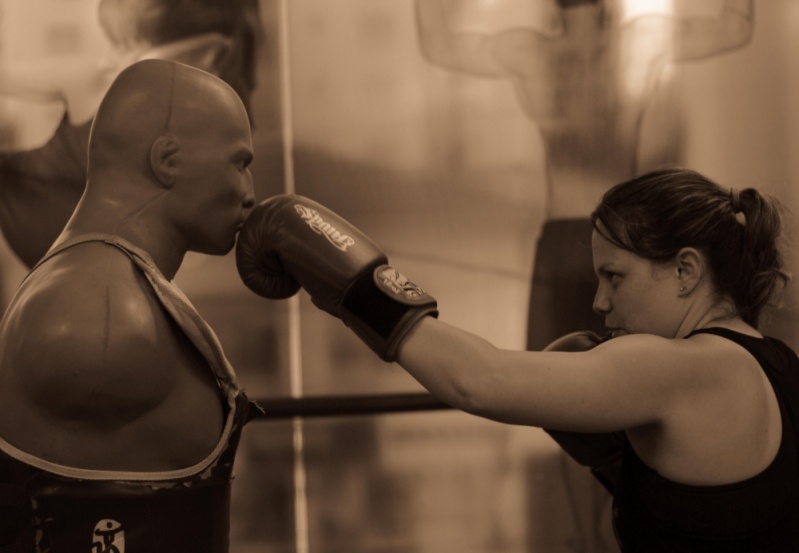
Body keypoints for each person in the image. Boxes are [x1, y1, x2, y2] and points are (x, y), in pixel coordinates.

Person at [236, 167, 797, 551]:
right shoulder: (779, 366)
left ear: (685, 271)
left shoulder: (680, 368)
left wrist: (353, 284)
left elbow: (482, 380)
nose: (600, 302)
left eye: (614, 277)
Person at [0, 58, 257, 551]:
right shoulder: (98, 315)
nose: (251, 194)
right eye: (240, 164)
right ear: (168, 160)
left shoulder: (114, 288)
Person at [415, 0, 755, 349]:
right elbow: (736, 26)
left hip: (573, 239)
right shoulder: (641, 41)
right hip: (621, 237)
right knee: (617, 375)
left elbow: (438, 43)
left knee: (551, 380)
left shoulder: (535, 53)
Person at [0, 0, 262, 269]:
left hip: (85, 250)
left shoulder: (105, 81)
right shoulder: (100, 79)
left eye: (126, 45)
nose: (107, 58)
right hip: (50, 229)